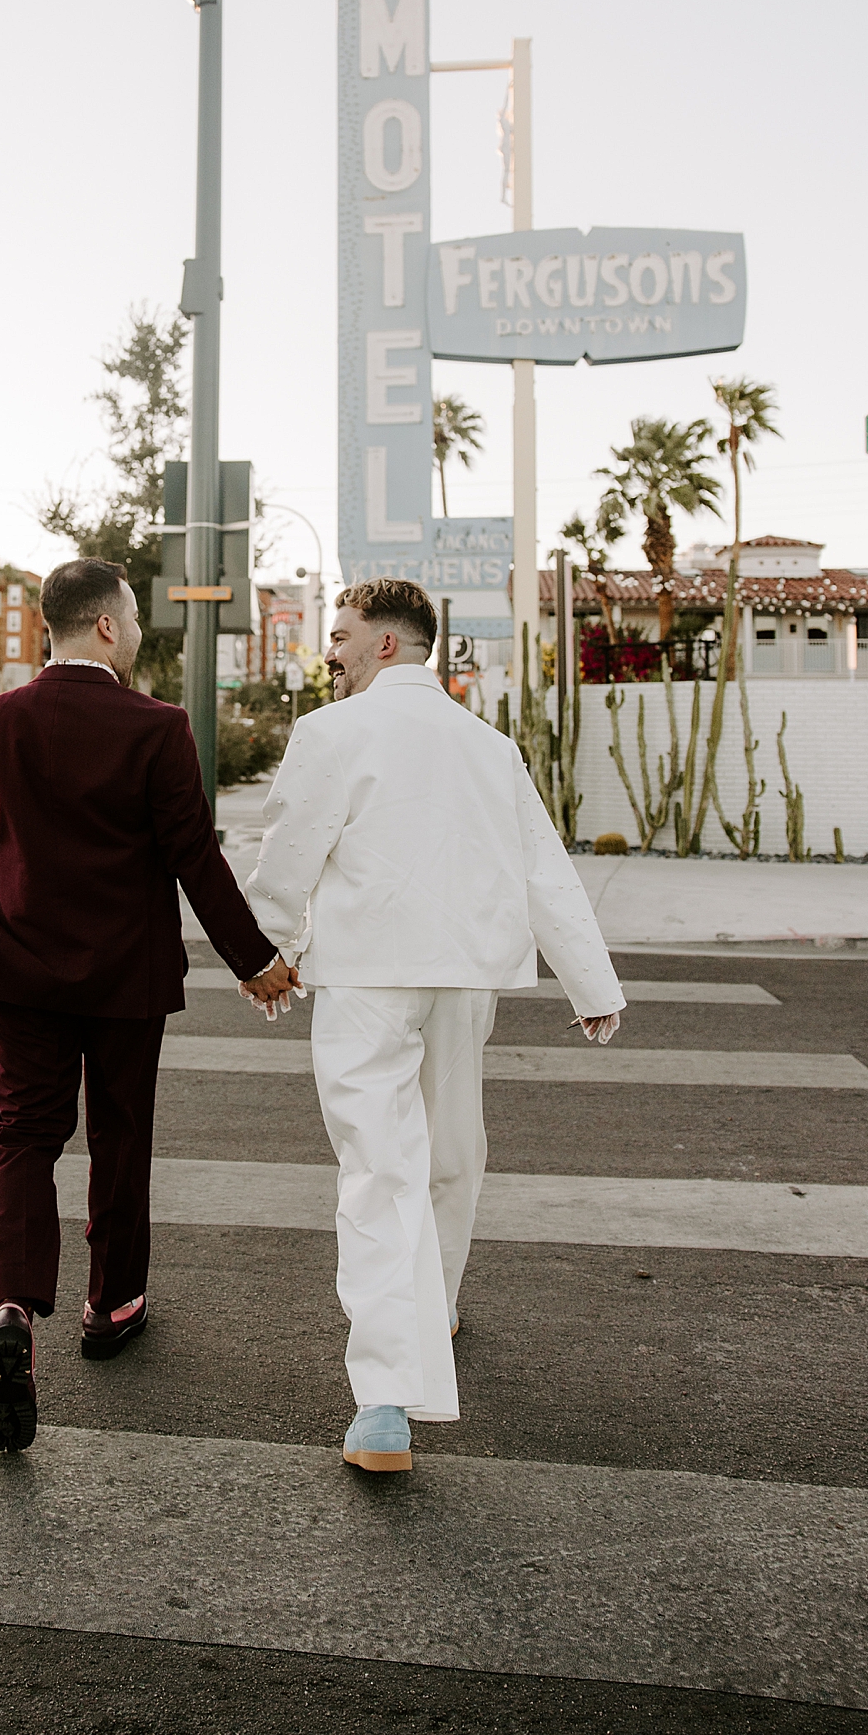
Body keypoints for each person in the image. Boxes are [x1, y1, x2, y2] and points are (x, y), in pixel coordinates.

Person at [244, 578, 625, 1476]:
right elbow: (542, 865)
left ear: (384, 644)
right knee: (454, 1150)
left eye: (339, 635)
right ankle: (437, 1306)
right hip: (465, 975)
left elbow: (291, 847)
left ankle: (384, 1403)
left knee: (379, 1171)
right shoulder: (488, 744)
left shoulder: (332, 733)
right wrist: (590, 979)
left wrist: (265, 951)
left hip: (368, 977)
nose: (328, 650)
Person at [0, 556, 297, 1454]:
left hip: (20, 969)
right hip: (126, 977)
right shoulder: (158, 726)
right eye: (134, 619)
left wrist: (1, 935)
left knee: (22, 1133)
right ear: (107, 625)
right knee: (119, 1134)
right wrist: (255, 961)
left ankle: (12, 1311)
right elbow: (196, 859)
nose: (139, 633)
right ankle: (112, 1304)